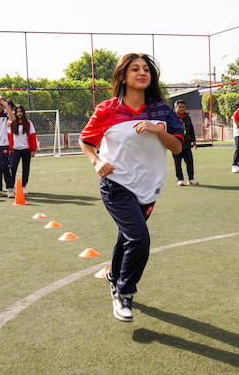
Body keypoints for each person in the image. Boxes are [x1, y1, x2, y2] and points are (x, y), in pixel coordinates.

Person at [79, 53, 184, 322]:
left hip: (149, 187)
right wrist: (96, 161)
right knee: (139, 239)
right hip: (116, 185)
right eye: (135, 69)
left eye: (146, 69)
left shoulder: (162, 109)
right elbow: (86, 140)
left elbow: (177, 146)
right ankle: (124, 293)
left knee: (127, 237)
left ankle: (114, 275)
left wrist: (157, 130)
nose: (142, 73)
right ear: (123, 75)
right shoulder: (107, 109)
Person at [8, 104, 38, 194]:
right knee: (12, 168)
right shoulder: (12, 123)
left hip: (26, 150)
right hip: (15, 150)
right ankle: (11, 187)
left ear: (23, 112)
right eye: (17, 112)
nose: (19, 113)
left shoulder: (29, 123)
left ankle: (23, 186)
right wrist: (9, 149)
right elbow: (9, 137)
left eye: (21, 111)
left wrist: (33, 149)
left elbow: (33, 136)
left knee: (26, 168)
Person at [172, 99, 198, 186]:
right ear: (175, 108)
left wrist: (193, 141)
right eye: (180, 107)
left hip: (187, 144)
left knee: (190, 162)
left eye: (183, 107)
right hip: (176, 144)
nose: (182, 109)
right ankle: (180, 179)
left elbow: (191, 129)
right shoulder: (172, 118)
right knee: (177, 163)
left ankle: (191, 178)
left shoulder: (187, 117)